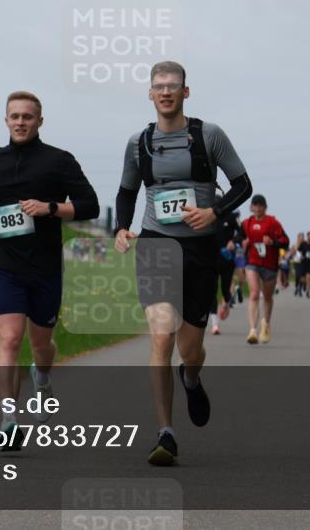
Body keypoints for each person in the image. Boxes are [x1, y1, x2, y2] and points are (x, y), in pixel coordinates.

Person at [114, 61, 252, 466]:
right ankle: (166, 433)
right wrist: (122, 227)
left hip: (200, 249)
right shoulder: (138, 143)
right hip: (156, 243)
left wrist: (214, 213)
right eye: (159, 86)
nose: (166, 92)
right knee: (161, 337)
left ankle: (191, 378)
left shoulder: (209, 135)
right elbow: (126, 192)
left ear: (185, 92)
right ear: (150, 93)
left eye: (173, 86)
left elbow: (243, 185)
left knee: (191, 349)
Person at [0, 91, 100, 450]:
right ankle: (9, 421)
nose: (21, 122)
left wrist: (50, 207)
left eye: (28, 116)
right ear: (6, 120)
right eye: (15, 116)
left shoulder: (59, 160)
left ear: (40, 121)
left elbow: (90, 205)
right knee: (9, 340)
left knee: (41, 345)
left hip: (44, 269)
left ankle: (41, 376)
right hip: (4, 265)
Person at [240, 194, 290, 344]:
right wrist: (242, 242)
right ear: (251, 207)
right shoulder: (246, 223)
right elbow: (238, 237)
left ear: (265, 207)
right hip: (252, 262)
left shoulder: (273, 223)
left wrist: (273, 242)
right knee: (254, 293)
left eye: (260, 205)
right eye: (255, 205)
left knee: (267, 297)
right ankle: (252, 330)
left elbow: (285, 242)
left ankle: (266, 324)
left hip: (270, 265)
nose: (257, 208)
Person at [212, 192, 242, 335]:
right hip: (211, 259)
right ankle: (214, 324)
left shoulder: (230, 217)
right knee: (212, 291)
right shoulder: (207, 218)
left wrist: (234, 242)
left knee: (225, 290)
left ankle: (227, 303)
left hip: (227, 259)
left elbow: (242, 233)